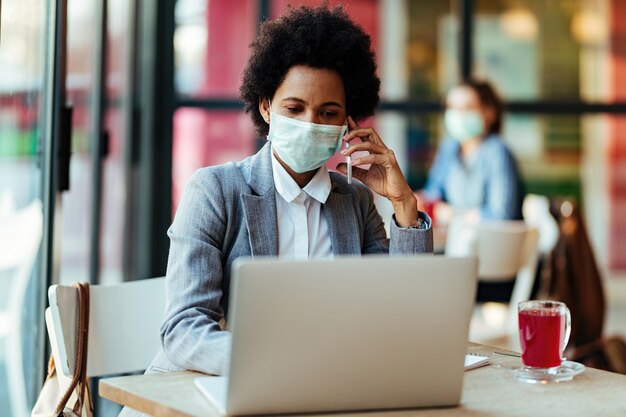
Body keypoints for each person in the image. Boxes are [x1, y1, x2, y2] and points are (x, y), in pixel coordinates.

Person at [120, 6, 432, 415]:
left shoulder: (354, 200)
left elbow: (402, 312)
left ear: (347, 124)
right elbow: (183, 331)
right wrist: (286, 365)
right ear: (266, 107)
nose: (310, 121)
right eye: (294, 108)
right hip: (207, 397)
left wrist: (403, 202)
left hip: (318, 399)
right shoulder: (215, 190)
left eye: (328, 113)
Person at [421, 79, 524, 223]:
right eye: (452, 107)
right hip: (454, 239)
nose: (457, 114)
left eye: (468, 107)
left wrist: (452, 215)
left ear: (489, 113)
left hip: (493, 242)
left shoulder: (497, 151)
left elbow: (501, 214)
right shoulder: (449, 148)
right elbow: (432, 195)